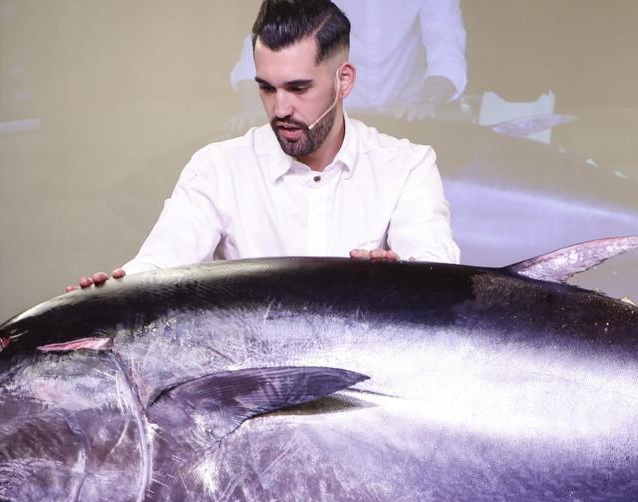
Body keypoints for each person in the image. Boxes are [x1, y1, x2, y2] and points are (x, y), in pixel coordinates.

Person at [72, 0, 459, 291]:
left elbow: (435, 273)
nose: (280, 108)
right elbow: (159, 265)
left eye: (298, 87)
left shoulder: (407, 166)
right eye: (266, 88)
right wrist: (111, 298)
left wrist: (404, 279)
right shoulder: (218, 168)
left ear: (344, 81)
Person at [226, 0, 467, 132]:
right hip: (329, 124)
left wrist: (426, 101)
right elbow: (259, 51)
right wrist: (252, 109)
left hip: (406, 123)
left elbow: (448, 57)